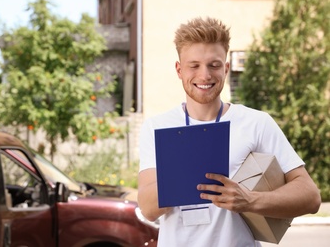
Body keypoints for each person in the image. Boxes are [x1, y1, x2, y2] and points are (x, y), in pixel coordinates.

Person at [137, 16, 321, 246]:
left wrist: (250, 200)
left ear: (225, 69)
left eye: (214, 65)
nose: (205, 75)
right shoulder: (157, 127)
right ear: (179, 70)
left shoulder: (257, 122)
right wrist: (185, 170)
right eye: (194, 65)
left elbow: (310, 197)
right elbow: (147, 208)